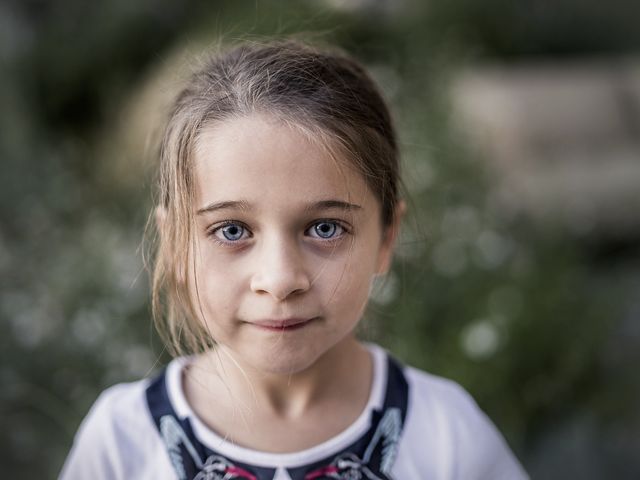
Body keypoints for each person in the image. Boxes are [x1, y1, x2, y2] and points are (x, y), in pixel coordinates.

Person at [60, 39, 528, 480]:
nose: (280, 279)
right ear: (177, 245)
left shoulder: (446, 436)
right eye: (232, 230)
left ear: (386, 238)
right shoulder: (122, 442)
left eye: (325, 228)